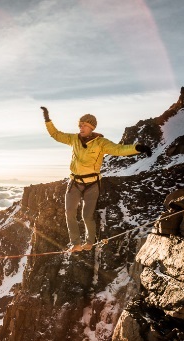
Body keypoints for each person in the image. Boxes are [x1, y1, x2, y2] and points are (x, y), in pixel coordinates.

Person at [40, 106, 152, 252]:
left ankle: (89, 242)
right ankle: (75, 243)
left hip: (92, 184)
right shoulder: (73, 139)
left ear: (91, 127)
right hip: (74, 182)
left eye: (84, 125)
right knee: (69, 212)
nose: (81, 127)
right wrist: (47, 119)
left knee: (87, 216)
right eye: (79, 125)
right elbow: (56, 134)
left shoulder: (101, 143)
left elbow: (119, 150)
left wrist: (138, 148)